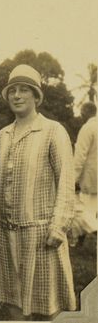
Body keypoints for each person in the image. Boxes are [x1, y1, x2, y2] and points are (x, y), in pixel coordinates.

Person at [0, 64, 76, 321]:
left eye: (24, 90)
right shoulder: (5, 135)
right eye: (12, 91)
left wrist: (58, 227)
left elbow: (66, 181)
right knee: (13, 303)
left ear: (36, 96)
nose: (17, 96)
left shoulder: (53, 131)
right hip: (6, 232)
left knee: (45, 306)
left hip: (40, 233)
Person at [70, 102, 97, 245]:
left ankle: (90, 232)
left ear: (86, 112)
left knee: (83, 212)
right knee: (91, 211)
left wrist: (73, 179)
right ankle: (79, 241)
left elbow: (80, 157)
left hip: (90, 178)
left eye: (82, 112)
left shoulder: (87, 128)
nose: (80, 115)